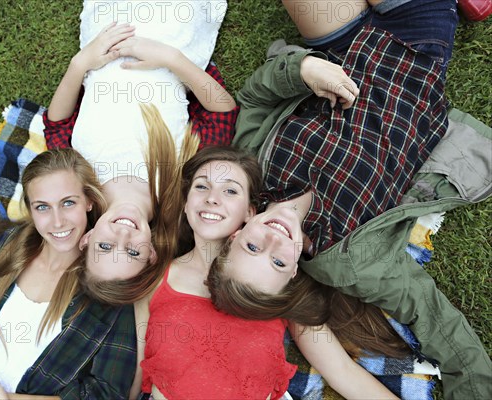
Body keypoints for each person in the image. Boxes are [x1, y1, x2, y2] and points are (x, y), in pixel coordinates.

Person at [207, 0, 492, 399]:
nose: (272, 240)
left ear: (236, 234)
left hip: (341, 47)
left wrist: (305, 70)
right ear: (293, 272)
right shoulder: (353, 261)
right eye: (276, 260)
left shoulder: (253, 171)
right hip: (413, 53)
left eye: (252, 247)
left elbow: (254, 98)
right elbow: (437, 321)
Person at [130, 146, 404, 400]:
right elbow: (135, 372)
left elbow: (342, 372)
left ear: (250, 213)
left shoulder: (274, 283)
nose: (212, 199)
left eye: (231, 191)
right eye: (202, 187)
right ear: (186, 204)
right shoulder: (154, 280)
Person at [44, 1, 237, 304]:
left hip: (107, 30)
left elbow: (57, 125)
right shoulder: (179, 188)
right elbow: (223, 112)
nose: (122, 236)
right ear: (151, 254)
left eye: (105, 247)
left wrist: (80, 64)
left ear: (86, 239)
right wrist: (171, 58)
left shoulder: (78, 188)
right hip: (174, 30)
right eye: (132, 252)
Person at [0, 149, 137, 400]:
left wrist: (5, 398)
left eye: (68, 203)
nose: (57, 222)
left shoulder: (111, 281)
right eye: (43, 207)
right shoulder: (10, 246)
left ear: (88, 201)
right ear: (31, 211)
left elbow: (107, 392)